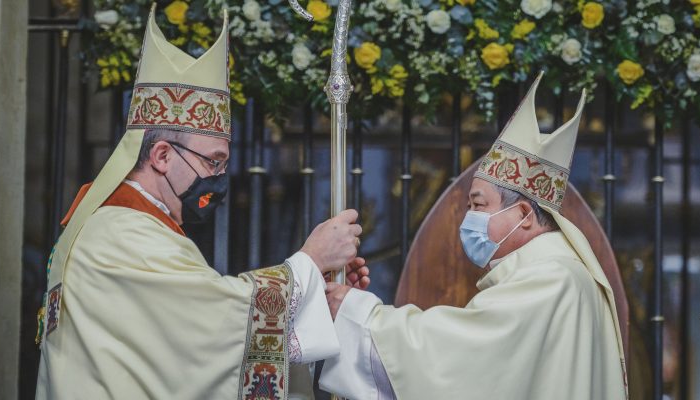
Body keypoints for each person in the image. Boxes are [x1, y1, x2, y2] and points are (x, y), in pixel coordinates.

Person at [35, 6, 368, 399]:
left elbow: (185, 339)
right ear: (161, 156)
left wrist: (317, 295)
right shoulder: (121, 232)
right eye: (213, 161)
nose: (218, 178)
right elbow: (218, 323)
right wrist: (311, 263)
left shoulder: (128, 226)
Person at [319, 72, 627, 399]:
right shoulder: (558, 273)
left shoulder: (552, 278)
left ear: (523, 215)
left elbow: (456, 358)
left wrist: (356, 313)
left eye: (478, 205)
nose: (469, 219)